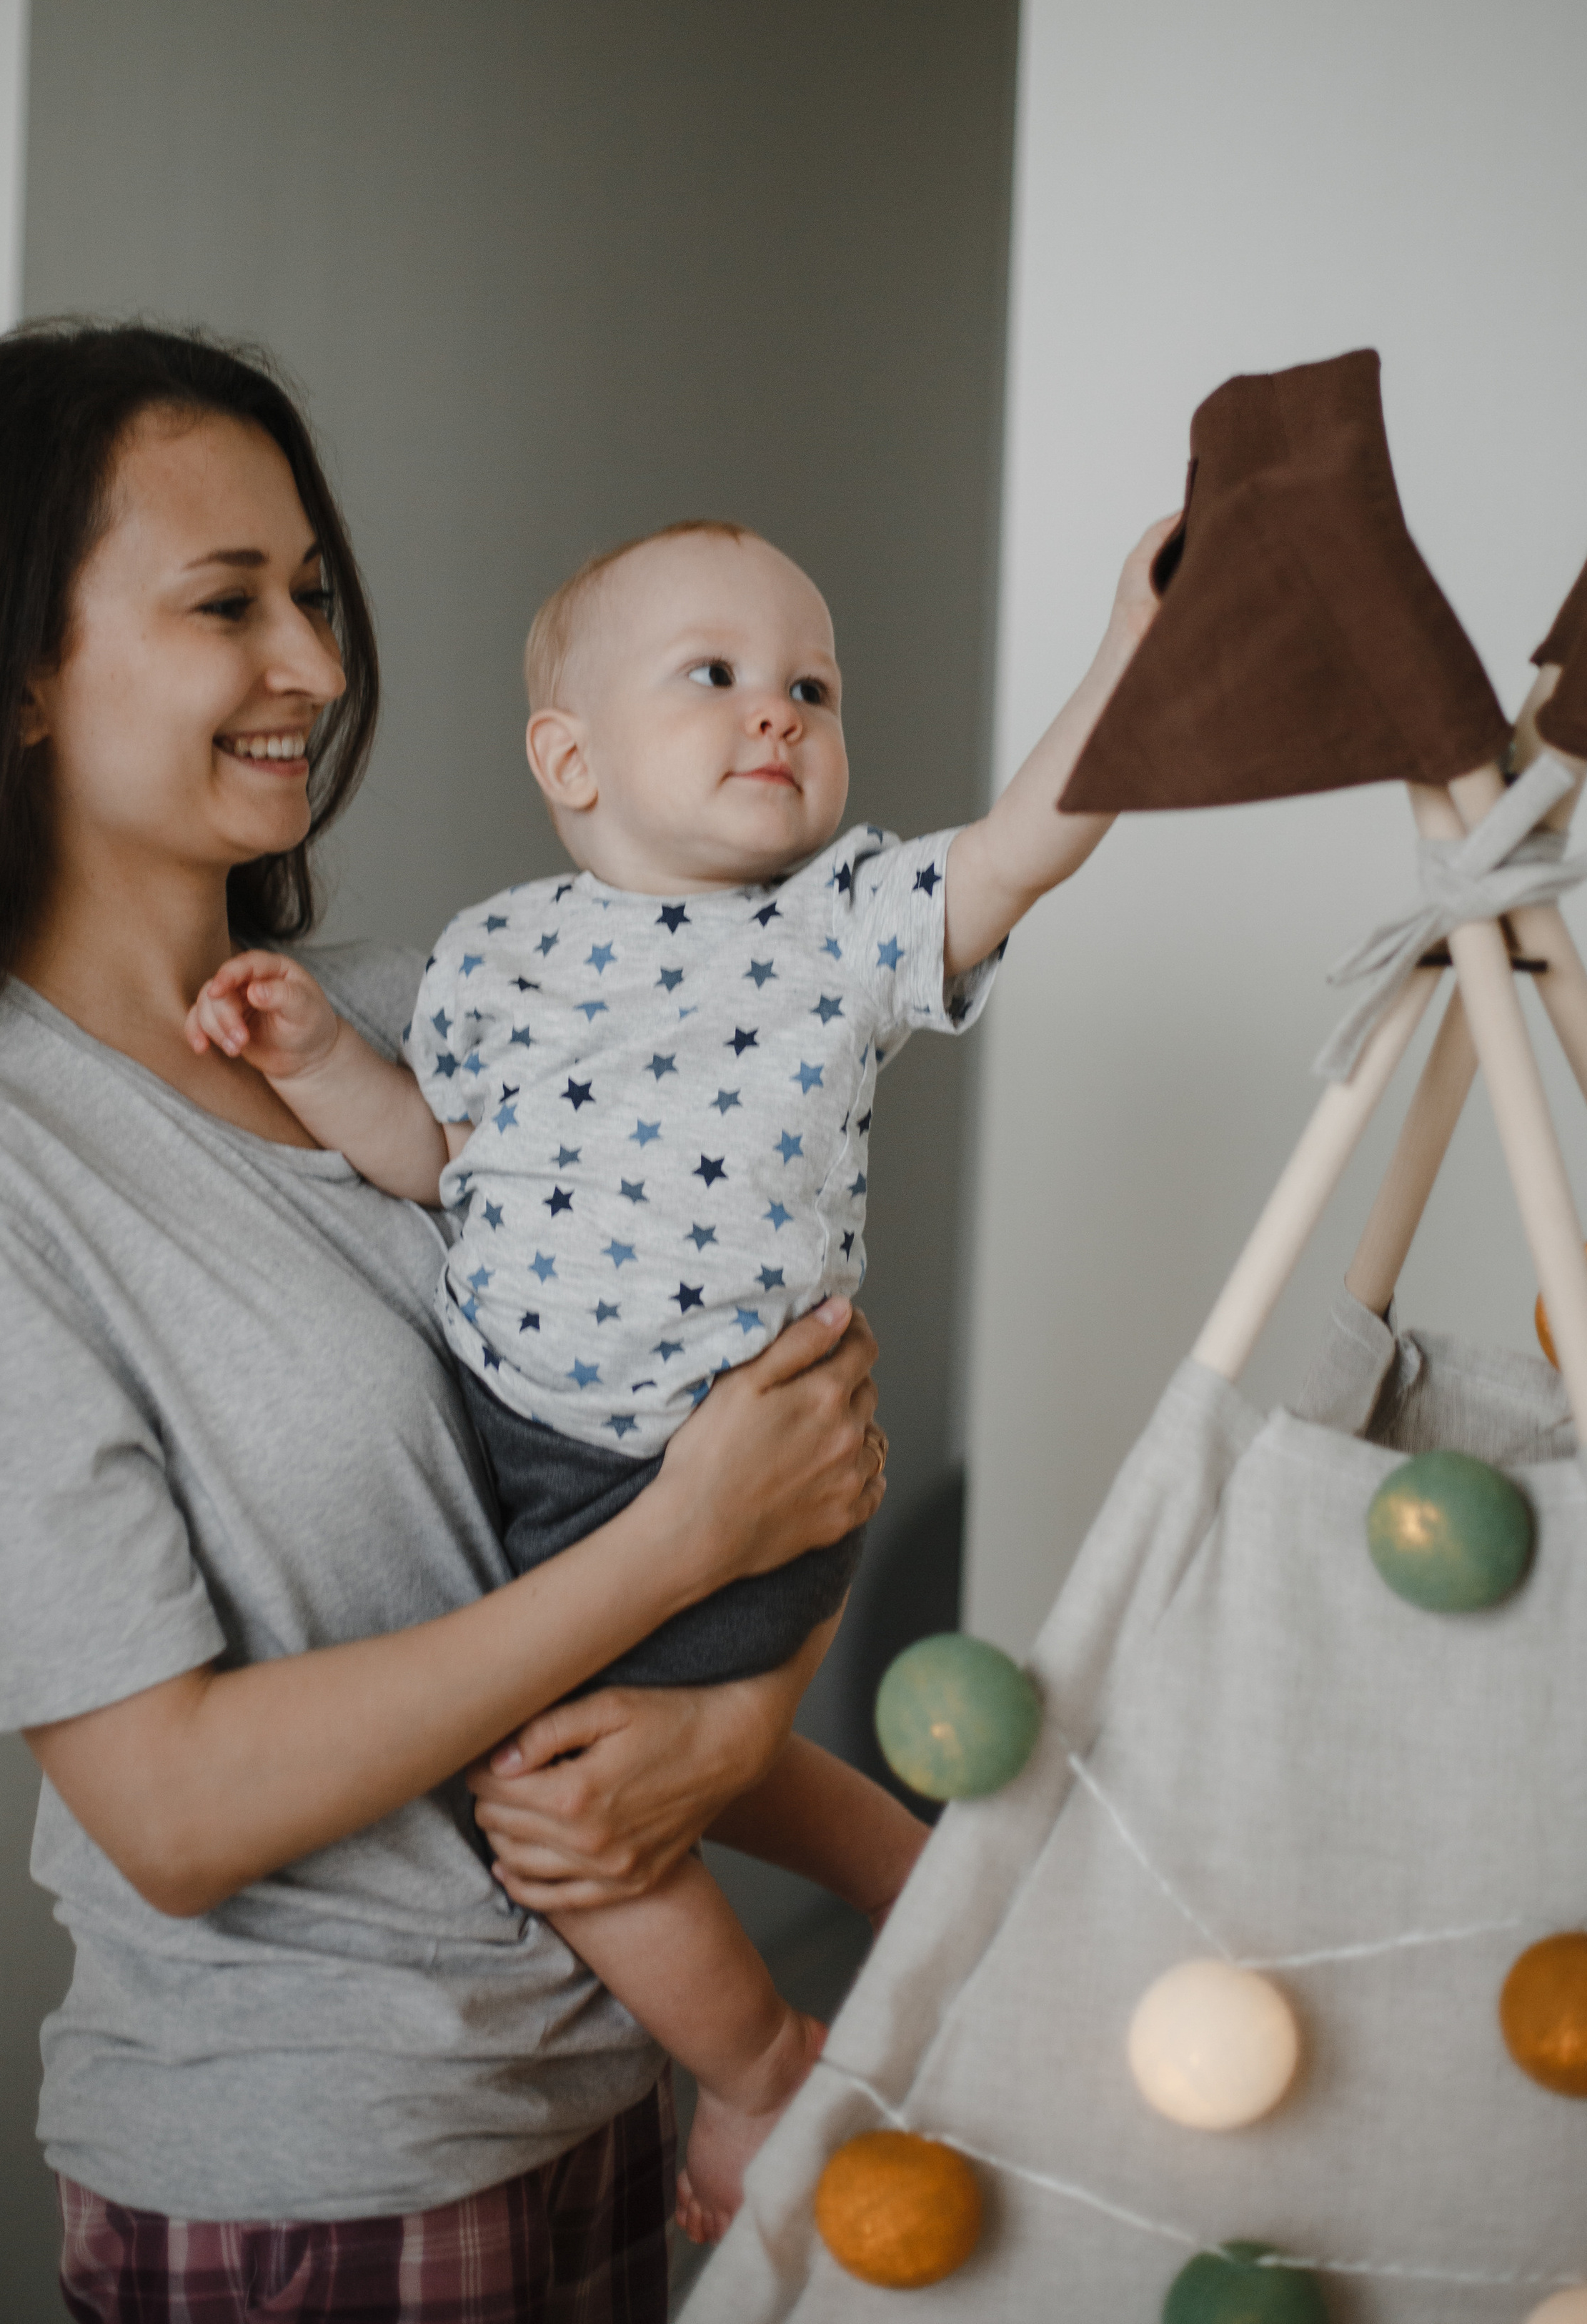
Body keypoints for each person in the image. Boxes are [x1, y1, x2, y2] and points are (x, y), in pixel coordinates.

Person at [0, 326, 907, 2324]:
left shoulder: (417, 1015)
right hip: (316, 2195)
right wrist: (683, 1543)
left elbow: (773, 1455)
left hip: (604, 2104)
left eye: (311, 592)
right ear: (15, 674)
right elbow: (175, 1813)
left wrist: (739, 1714)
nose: (313, 662)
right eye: (228, 604)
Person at [185, 513, 1167, 2235]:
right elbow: (434, 1159)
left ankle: (759, 2070)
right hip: (527, 1460)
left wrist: (1132, 652)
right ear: (569, 759)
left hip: (741, 1455)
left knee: (559, 1813)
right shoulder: (490, 955)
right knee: (647, 1749)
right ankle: (931, 1884)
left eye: (810, 687)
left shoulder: (840, 924)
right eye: (712, 675)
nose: (774, 710)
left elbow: (1023, 846)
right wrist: (320, 1054)